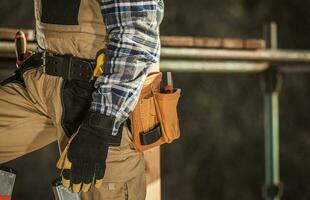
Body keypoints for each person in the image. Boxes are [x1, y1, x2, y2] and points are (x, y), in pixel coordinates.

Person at [0, 0, 164, 199]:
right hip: (41, 80)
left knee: (105, 187)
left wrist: (100, 126)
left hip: (99, 98)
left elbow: (137, 40)